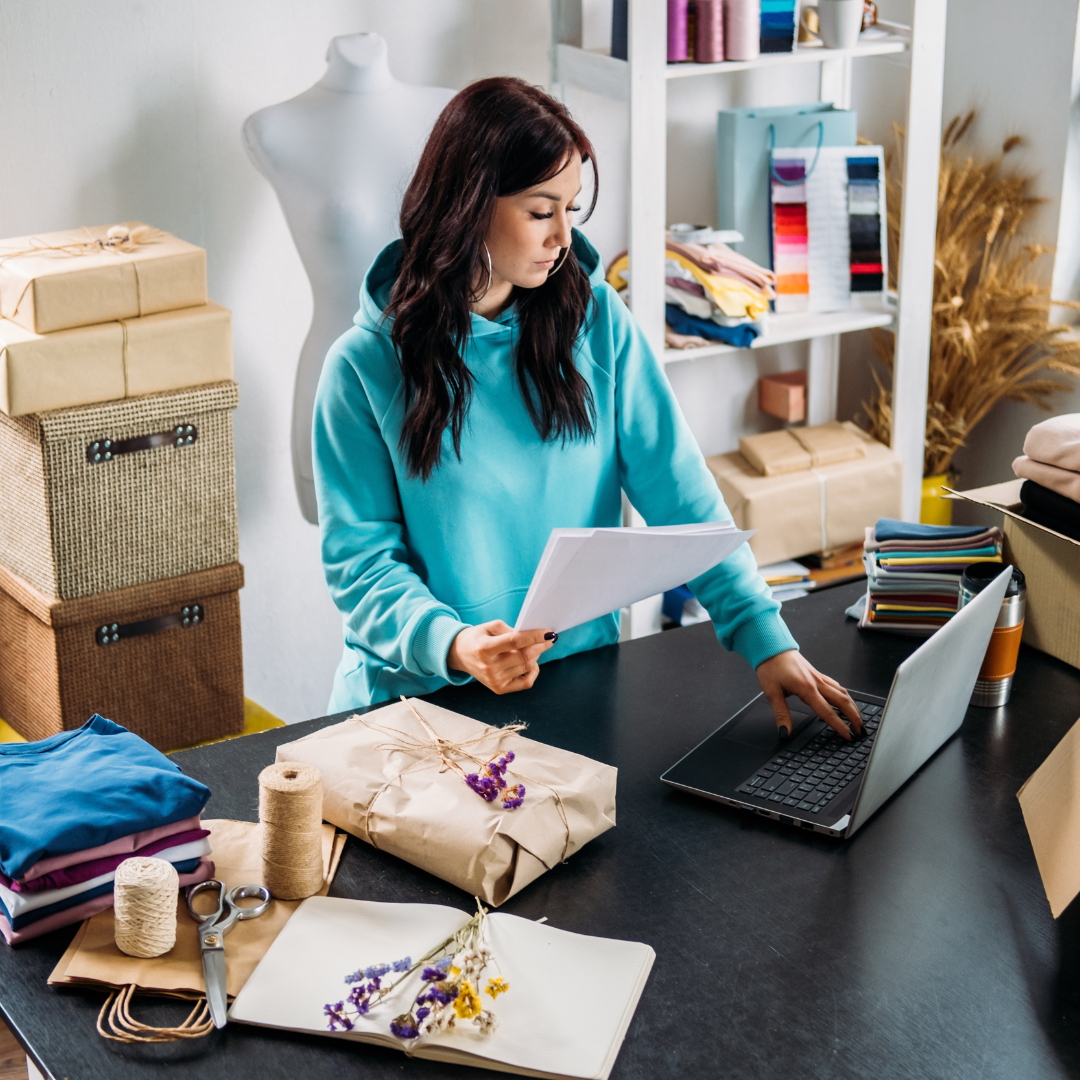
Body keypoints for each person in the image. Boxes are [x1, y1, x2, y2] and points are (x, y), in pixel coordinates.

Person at [312, 76, 863, 741]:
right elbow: (362, 565)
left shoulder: (598, 321)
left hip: (575, 685)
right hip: (418, 704)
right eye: (542, 211)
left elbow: (680, 495)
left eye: (572, 209)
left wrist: (765, 638)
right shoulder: (361, 368)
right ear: (468, 205)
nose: (563, 236)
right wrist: (456, 644)